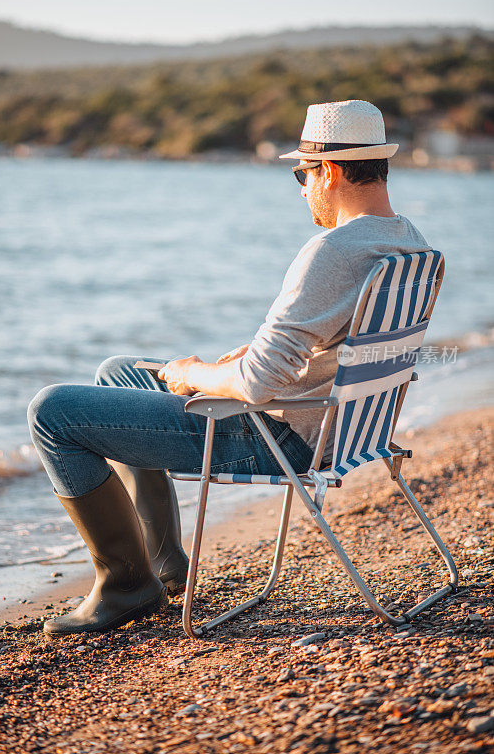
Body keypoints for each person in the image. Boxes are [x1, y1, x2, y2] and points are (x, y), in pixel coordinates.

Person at [28, 99, 430, 637]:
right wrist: (252, 349)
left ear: (329, 171)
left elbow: (259, 384)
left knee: (52, 412)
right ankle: (166, 562)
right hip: (341, 426)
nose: (303, 187)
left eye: (302, 174)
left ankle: (126, 585)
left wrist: (195, 373)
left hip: (275, 436)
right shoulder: (408, 242)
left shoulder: (332, 250)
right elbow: (336, 342)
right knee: (119, 369)